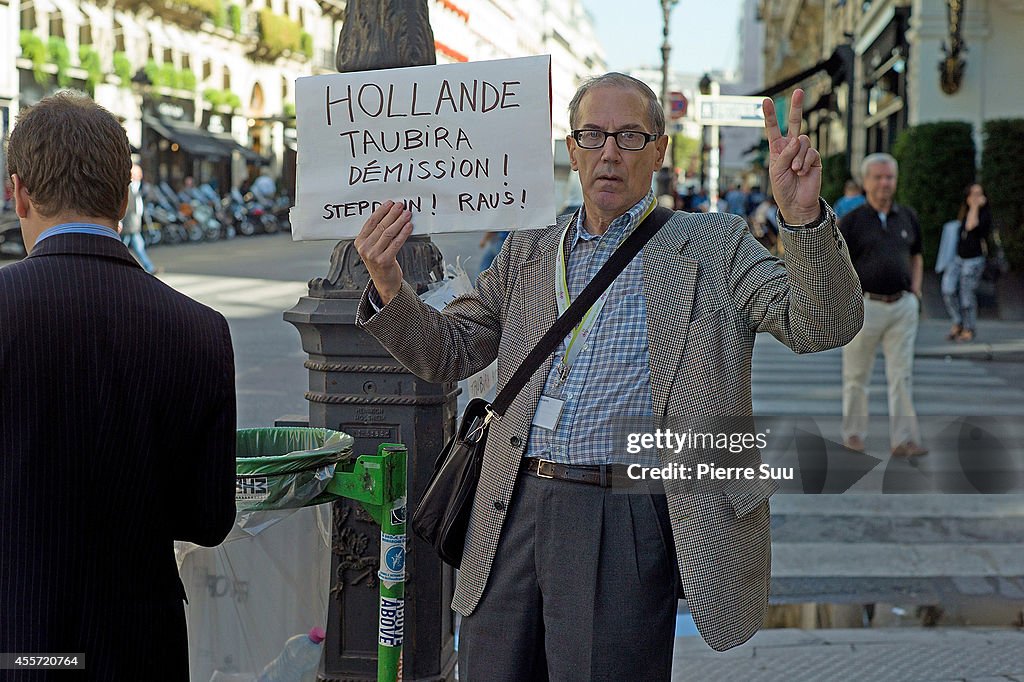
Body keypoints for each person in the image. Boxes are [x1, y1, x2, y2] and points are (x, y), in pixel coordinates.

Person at [354, 74, 862, 680]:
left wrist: (802, 219)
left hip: (626, 515)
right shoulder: (530, 250)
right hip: (511, 509)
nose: (610, 153)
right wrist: (389, 286)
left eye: (629, 135)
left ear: (660, 149)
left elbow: (822, 323)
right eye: (593, 135)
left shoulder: (713, 246)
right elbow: (451, 352)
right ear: (572, 149)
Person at [0, 93, 237, 681]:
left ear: (19, 191)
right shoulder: (201, 331)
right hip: (138, 648)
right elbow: (208, 519)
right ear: (125, 199)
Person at [839, 153, 927, 458]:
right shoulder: (852, 222)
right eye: (877, 177)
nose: (884, 183)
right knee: (856, 376)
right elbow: (837, 264)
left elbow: (917, 256)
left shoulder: (908, 217)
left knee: (901, 376)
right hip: (865, 308)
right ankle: (853, 434)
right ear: (866, 182)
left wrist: (915, 292)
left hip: (901, 306)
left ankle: (903, 440)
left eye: (889, 177)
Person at [941, 183, 992, 343]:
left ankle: (969, 327)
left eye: (979, 194)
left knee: (966, 295)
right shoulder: (964, 212)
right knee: (948, 289)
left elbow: (971, 226)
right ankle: (958, 321)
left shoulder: (984, 213)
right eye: (973, 194)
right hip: (958, 258)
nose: (976, 197)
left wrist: (976, 207)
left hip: (974, 260)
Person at [120, 163, 158, 274]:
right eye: (138, 173)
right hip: (129, 223)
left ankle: (149, 267)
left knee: (136, 247)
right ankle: (149, 267)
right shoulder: (129, 186)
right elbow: (126, 206)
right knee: (128, 247)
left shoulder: (140, 186)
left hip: (135, 222)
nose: (140, 175)